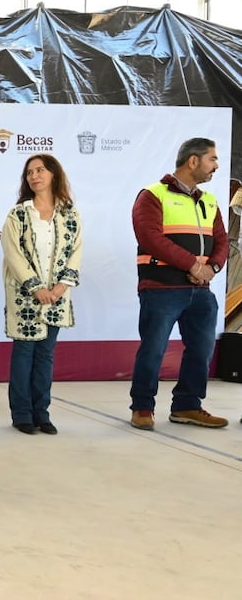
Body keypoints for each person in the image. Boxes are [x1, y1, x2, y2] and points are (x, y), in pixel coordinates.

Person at [129, 137, 229, 430]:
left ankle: (187, 405)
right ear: (193, 161)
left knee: (202, 349)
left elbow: (221, 239)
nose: (216, 166)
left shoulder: (209, 200)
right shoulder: (152, 195)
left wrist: (211, 267)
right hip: (161, 289)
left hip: (201, 290)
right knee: (154, 348)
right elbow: (150, 238)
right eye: (212, 159)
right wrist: (192, 265)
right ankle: (142, 407)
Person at [1, 154, 82, 435]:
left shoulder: (70, 214)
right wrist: (37, 287)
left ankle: (42, 413)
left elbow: (75, 253)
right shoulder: (19, 214)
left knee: (46, 355)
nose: (34, 176)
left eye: (40, 170)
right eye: (29, 172)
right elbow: (14, 255)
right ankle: (22, 414)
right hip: (26, 297)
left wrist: (60, 288)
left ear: (54, 175)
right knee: (24, 352)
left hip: (57, 298)